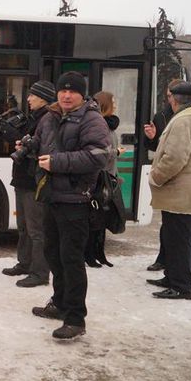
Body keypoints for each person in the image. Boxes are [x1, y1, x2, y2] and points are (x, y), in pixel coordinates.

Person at [28, 72, 110, 340]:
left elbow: (98, 156)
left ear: (82, 94)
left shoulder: (91, 119)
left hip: (76, 199)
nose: (66, 95)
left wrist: (57, 162)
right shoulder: (51, 117)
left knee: (72, 259)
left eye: (72, 91)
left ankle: (76, 318)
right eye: (63, 90)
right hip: (52, 196)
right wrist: (28, 146)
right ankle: (60, 303)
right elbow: (42, 145)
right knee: (53, 253)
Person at [146, 81, 191, 300]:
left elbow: (175, 158)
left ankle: (181, 286)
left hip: (180, 193)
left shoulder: (183, 122)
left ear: (174, 99)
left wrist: (155, 177)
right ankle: (172, 277)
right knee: (177, 237)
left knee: (177, 240)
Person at [1, 80, 54, 287]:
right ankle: (24, 263)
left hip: (34, 181)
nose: (29, 99)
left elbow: (46, 148)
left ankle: (40, 273)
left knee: (36, 229)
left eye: (33, 95)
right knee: (23, 227)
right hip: (23, 178)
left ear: (43, 98)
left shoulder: (48, 120)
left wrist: (28, 146)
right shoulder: (35, 118)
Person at [84, 91, 124, 268]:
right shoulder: (99, 125)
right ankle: (89, 254)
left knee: (103, 216)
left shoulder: (110, 124)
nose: (115, 104)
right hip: (99, 177)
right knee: (95, 218)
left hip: (109, 176)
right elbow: (96, 152)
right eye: (113, 101)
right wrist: (116, 153)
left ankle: (99, 253)